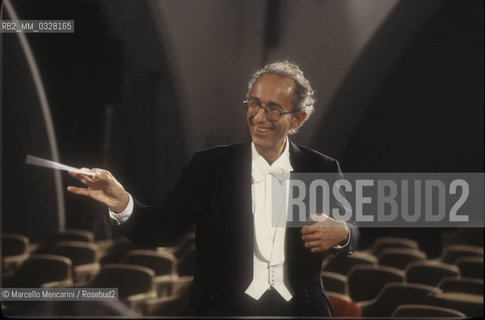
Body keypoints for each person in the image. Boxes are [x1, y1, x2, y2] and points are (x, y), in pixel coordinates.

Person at [68, 61, 359, 316]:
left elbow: (351, 232)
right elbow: (159, 227)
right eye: (254, 103)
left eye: (273, 108)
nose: (258, 117)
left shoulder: (321, 168)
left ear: (298, 118)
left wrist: (343, 233)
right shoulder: (210, 166)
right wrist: (122, 203)